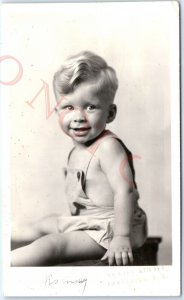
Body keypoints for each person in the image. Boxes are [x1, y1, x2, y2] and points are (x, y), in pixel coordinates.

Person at [11, 51, 147, 266]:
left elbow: (125, 190)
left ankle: (8, 263)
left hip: (115, 226)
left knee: (52, 245)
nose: (78, 116)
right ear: (57, 112)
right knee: (42, 224)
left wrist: (121, 237)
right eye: (69, 107)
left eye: (90, 107)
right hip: (89, 222)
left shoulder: (108, 147)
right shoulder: (78, 149)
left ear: (110, 113)